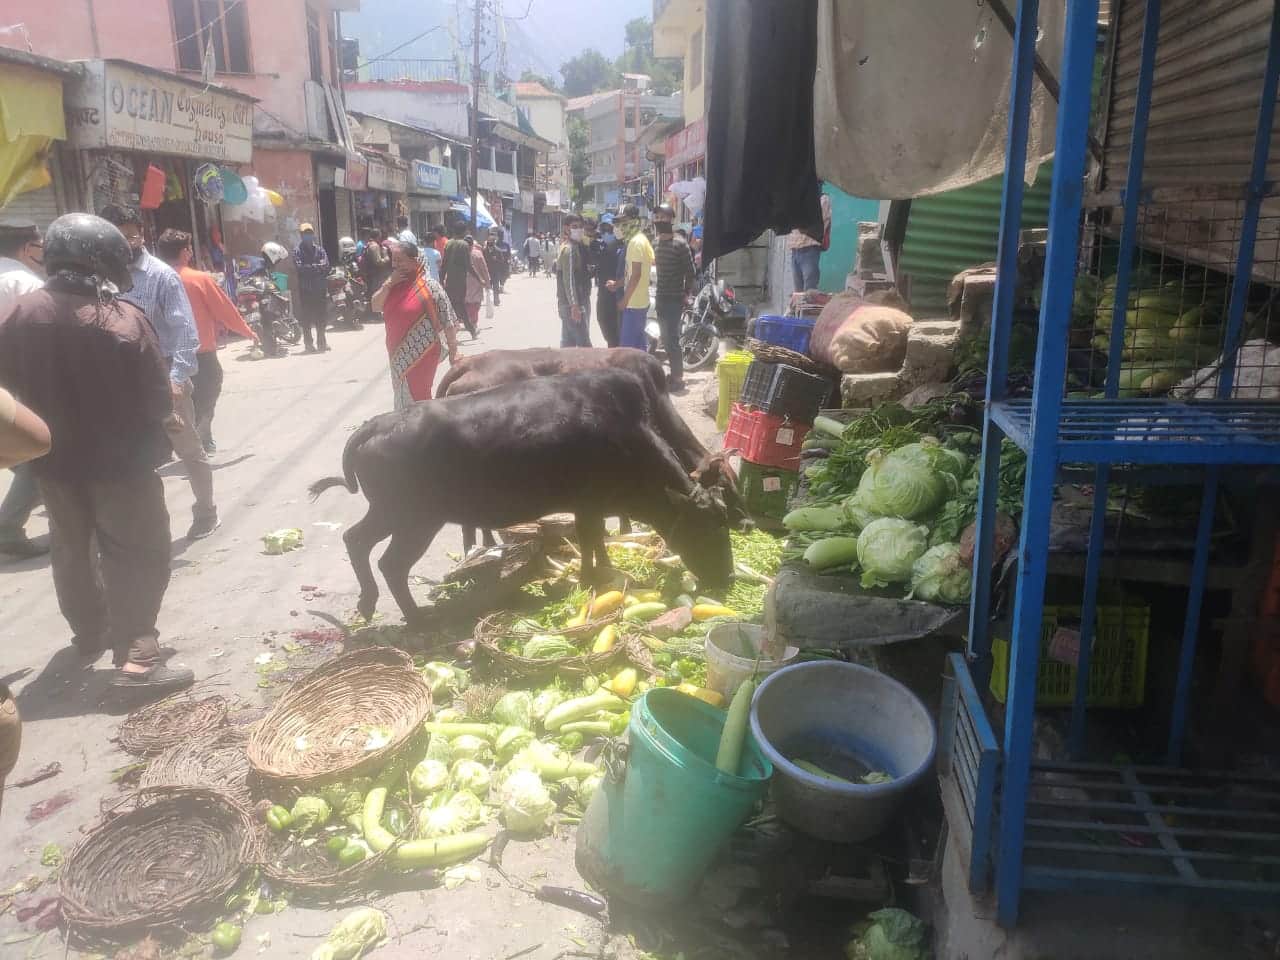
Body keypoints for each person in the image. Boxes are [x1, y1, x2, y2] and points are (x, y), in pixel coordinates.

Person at [0, 213, 194, 693]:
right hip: (123, 467)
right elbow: (156, 399)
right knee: (138, 554)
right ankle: (139, 660)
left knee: (71, 550)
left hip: (52, 467)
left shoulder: (16, 315)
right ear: (103, 262)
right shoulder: (123, 320)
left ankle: (89, 633)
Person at [100, 204, 218, 540]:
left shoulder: (161, 276)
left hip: (163, 375)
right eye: (119, 234)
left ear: (141, 234)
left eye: (132, 232)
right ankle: (141, 525)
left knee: (189, 449)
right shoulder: (102, 278)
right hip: (121, 381)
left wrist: (177, 379)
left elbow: (185, 333)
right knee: (133, 455)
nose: (128, 239)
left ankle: (206, 511)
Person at [156, 230, 258, 455]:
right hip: (199, 353)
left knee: (180, 399)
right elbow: (225, 311)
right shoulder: (199, 279)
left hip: (167, 355)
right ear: (185, 252)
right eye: (190, 248)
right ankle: (200, 434)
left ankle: (192, 437)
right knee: (207, 392)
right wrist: (248, 331)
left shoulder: (155, 280)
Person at [0, 219, 49, 559]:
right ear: (26, 248)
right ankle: (7, 527)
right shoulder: (24, 282)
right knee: (42, 451)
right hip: (18, 379)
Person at [371, 239, 460, 409]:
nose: (395, 265)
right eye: (393, 260)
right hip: (397, 353)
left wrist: (454, 352)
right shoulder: (392, 285)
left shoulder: (431, 287)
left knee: (419, 396)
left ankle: (422, 431)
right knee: (401, 394)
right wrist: (389, 284)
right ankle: (408, 429)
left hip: (423, 352)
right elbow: (375, 306)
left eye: (400, 260)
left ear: (414, 261)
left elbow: (448, 322)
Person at [653, 204, 698, 389]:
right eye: (658, 217)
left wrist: (686, 294)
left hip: (674, 298)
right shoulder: (655, 242)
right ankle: (673, 374)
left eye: (664, 217)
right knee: (664, 337)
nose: (660, 220)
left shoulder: (680, 244)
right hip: (660, 297)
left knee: (671, 338)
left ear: (671, 219)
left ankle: (678, 378)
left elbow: (691, 272)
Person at [612, 204, 654, 349]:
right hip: (640, 301)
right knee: (639, 346)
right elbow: (633, 273)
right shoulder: (640, 239)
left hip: (633, 303)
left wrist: (624, 300)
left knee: (627, 349)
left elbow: (636, 275)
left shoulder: (635, 243)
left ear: (635, 220)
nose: (621, 225)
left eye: (625, 220)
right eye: (619, 221)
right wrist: (618, 284)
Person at [292, 222, 331, 353]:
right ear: (301, 235)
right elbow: (300, 268)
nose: (308, 236)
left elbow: (326, 266)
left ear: (313, 234)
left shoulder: (320, 250)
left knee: (322, 317)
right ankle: (308, 344)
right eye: (305, 234)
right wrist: (317, 267)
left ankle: (322, 342)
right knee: (306, 319)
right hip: (306, 290)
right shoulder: (297, 251)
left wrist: (311, 267)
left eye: (310, 233)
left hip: (320, 289)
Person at [556, 214, 592, 348]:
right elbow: (569, 280)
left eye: (581, 227)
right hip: (571, 305)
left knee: (568, 345)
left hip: (568, 303)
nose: (579, 230)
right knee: (585, 346)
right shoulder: (569, 249)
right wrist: (575, 306)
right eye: (574, 227)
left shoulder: (574, 246)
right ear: (566, 228)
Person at [788, 189, 832, 292]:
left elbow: (814, 225)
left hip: (809, 250)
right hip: (795, 251)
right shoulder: (796, 198)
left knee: (809, 291)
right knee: (798, 292)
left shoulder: (823, 199)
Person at [440, 221, 476, 338]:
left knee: (450, 307)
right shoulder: (464, 245)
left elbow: (444, 265)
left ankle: (450, 332)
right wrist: (480, 279)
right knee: (460, 305)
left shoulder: (448, 243)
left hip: (449, 282)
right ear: (464, 231)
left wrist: (441, 280)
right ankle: (470, 329)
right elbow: (469, 266)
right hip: (460, 282)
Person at [590, 219, 621, 347]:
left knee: (615, 331)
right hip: (603, 294)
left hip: (617, 294)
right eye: (603, 230)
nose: (606, 233)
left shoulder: (621, 247)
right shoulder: (599, 247)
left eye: (609, 229)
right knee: (603, 321)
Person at [464, 234, 491, 333]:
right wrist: (487, 282)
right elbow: (484, 269)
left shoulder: (461, 253)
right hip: (477, 282)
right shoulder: (478, 254)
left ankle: (470, 321)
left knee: (467, 303)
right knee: (476, 303)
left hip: (464, 282)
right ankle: (473, 323)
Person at [483, 235, 506, 306]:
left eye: (491, 243)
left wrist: (496, 260)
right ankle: (489, 301)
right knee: (488, 288)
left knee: (496, 287)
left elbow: (502, 261)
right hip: (487, 272)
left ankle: (496, 301)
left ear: (493, 243)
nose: (489, 245)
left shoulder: (498, 251)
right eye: (488, 243)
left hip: (495, 272)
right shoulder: (484, 250)